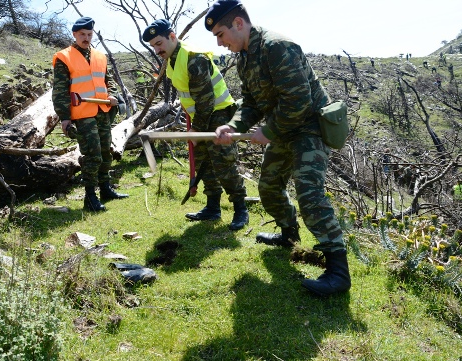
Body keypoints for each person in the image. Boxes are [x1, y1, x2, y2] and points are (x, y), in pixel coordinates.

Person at [204, 0, 350, 296]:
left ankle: (338, 270)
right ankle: (288, 235)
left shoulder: (277, 46)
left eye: (221, 34)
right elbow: (253, 103)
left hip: (309, 128)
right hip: (284, 128)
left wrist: (269, 131)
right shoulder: (244, 57)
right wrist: (233, 126)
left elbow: (299, 101)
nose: (220, 43)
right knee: (269, 186)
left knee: (309, 193)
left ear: (239, 24)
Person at [142, 19, 249, 231]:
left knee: (223, 162)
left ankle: (240, 209)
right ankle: (212, 208)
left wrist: (195, 130)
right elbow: (190, 96)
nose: (157, 49)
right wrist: (194, 127)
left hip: (219, 115)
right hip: (200, 115)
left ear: (172, 36)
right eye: (153, 46)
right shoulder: (172, 59)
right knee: (202, 161)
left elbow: (206, 100)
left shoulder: (193, 58)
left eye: (159, 43)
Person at [52, 17, 128, 213]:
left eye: (89, 34)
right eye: (82, 35)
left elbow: (106, 81)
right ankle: (90, 197)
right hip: (82, 114)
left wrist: (111, 96)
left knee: (105, 152)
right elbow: (60, 90)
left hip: (102, 111)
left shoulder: (100, 56)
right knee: (92, 154)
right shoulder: (64, 57)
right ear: (74, 35)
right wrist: (65, 117)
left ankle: (105, 189)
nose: (86, 38)